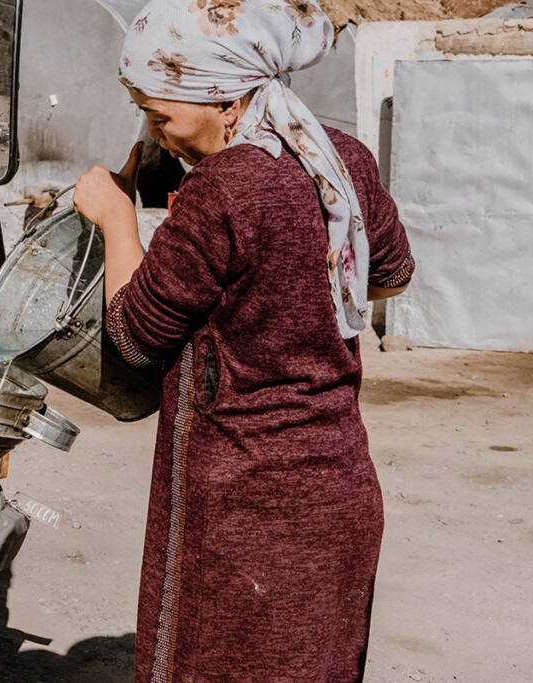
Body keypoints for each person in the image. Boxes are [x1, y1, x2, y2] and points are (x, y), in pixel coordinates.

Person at [72, 0, 415, 680]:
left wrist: (117, 221)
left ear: (224, 100)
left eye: (160, 114)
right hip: (339, 498)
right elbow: (390, 274)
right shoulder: (340, 156)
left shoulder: (224, 187)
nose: (154, 132)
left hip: (242, 516)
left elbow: (135, 336)